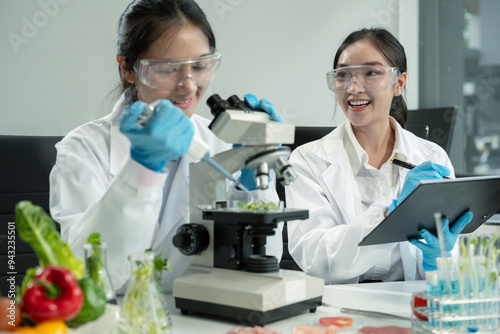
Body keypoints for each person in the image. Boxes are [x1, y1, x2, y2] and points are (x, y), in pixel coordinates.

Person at [49, 0, 282, 293]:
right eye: (166, 69)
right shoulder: (83, 151)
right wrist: (142, 170)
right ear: (128, 69)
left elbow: (263, 261)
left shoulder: (220, 141)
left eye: (200, 66)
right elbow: (87, 279)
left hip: (202, 318)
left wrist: (252, 184)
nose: (188, 86)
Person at [285, 28, 472, 284]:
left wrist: (439, 259)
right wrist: (388, 217)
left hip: (409, 308)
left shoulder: (432, 157)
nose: (353, 87)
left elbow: (453, 273)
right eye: (343, 75)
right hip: (338, 312)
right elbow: (315, 256)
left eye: (371, 73)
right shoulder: (307, 161)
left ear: (399, 83)